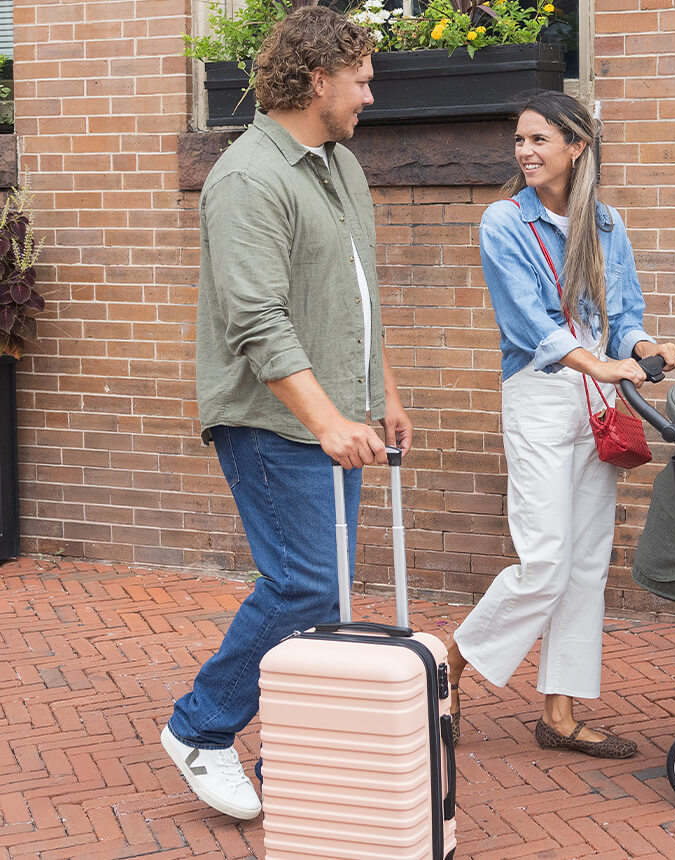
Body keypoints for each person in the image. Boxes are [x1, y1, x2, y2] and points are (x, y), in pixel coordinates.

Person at [161, 7, 412, 820]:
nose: (370, 96)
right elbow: (255, 320)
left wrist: (383, 399)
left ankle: (296, 751)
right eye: (362, 79)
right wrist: (328, 419)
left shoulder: (337, 165)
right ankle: (201, 729)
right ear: (318, 80)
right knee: (304, 585)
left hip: (339, 413)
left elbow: (358, 298)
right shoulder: (247, 179)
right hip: (273, 422)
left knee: (327, 594)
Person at [447, 90, 675, 759]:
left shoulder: (606, 227)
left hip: (599, 406)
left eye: (539, 140)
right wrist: (600, 365)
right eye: (520, 140)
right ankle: (448, 667)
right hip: (544, 398)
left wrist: (641, 349)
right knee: (545, 559)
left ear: (576, 147)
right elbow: (528, 323)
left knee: (583, 563)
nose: (525, 152)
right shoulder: (504, 223)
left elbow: (625, 313)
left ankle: (560, 712)